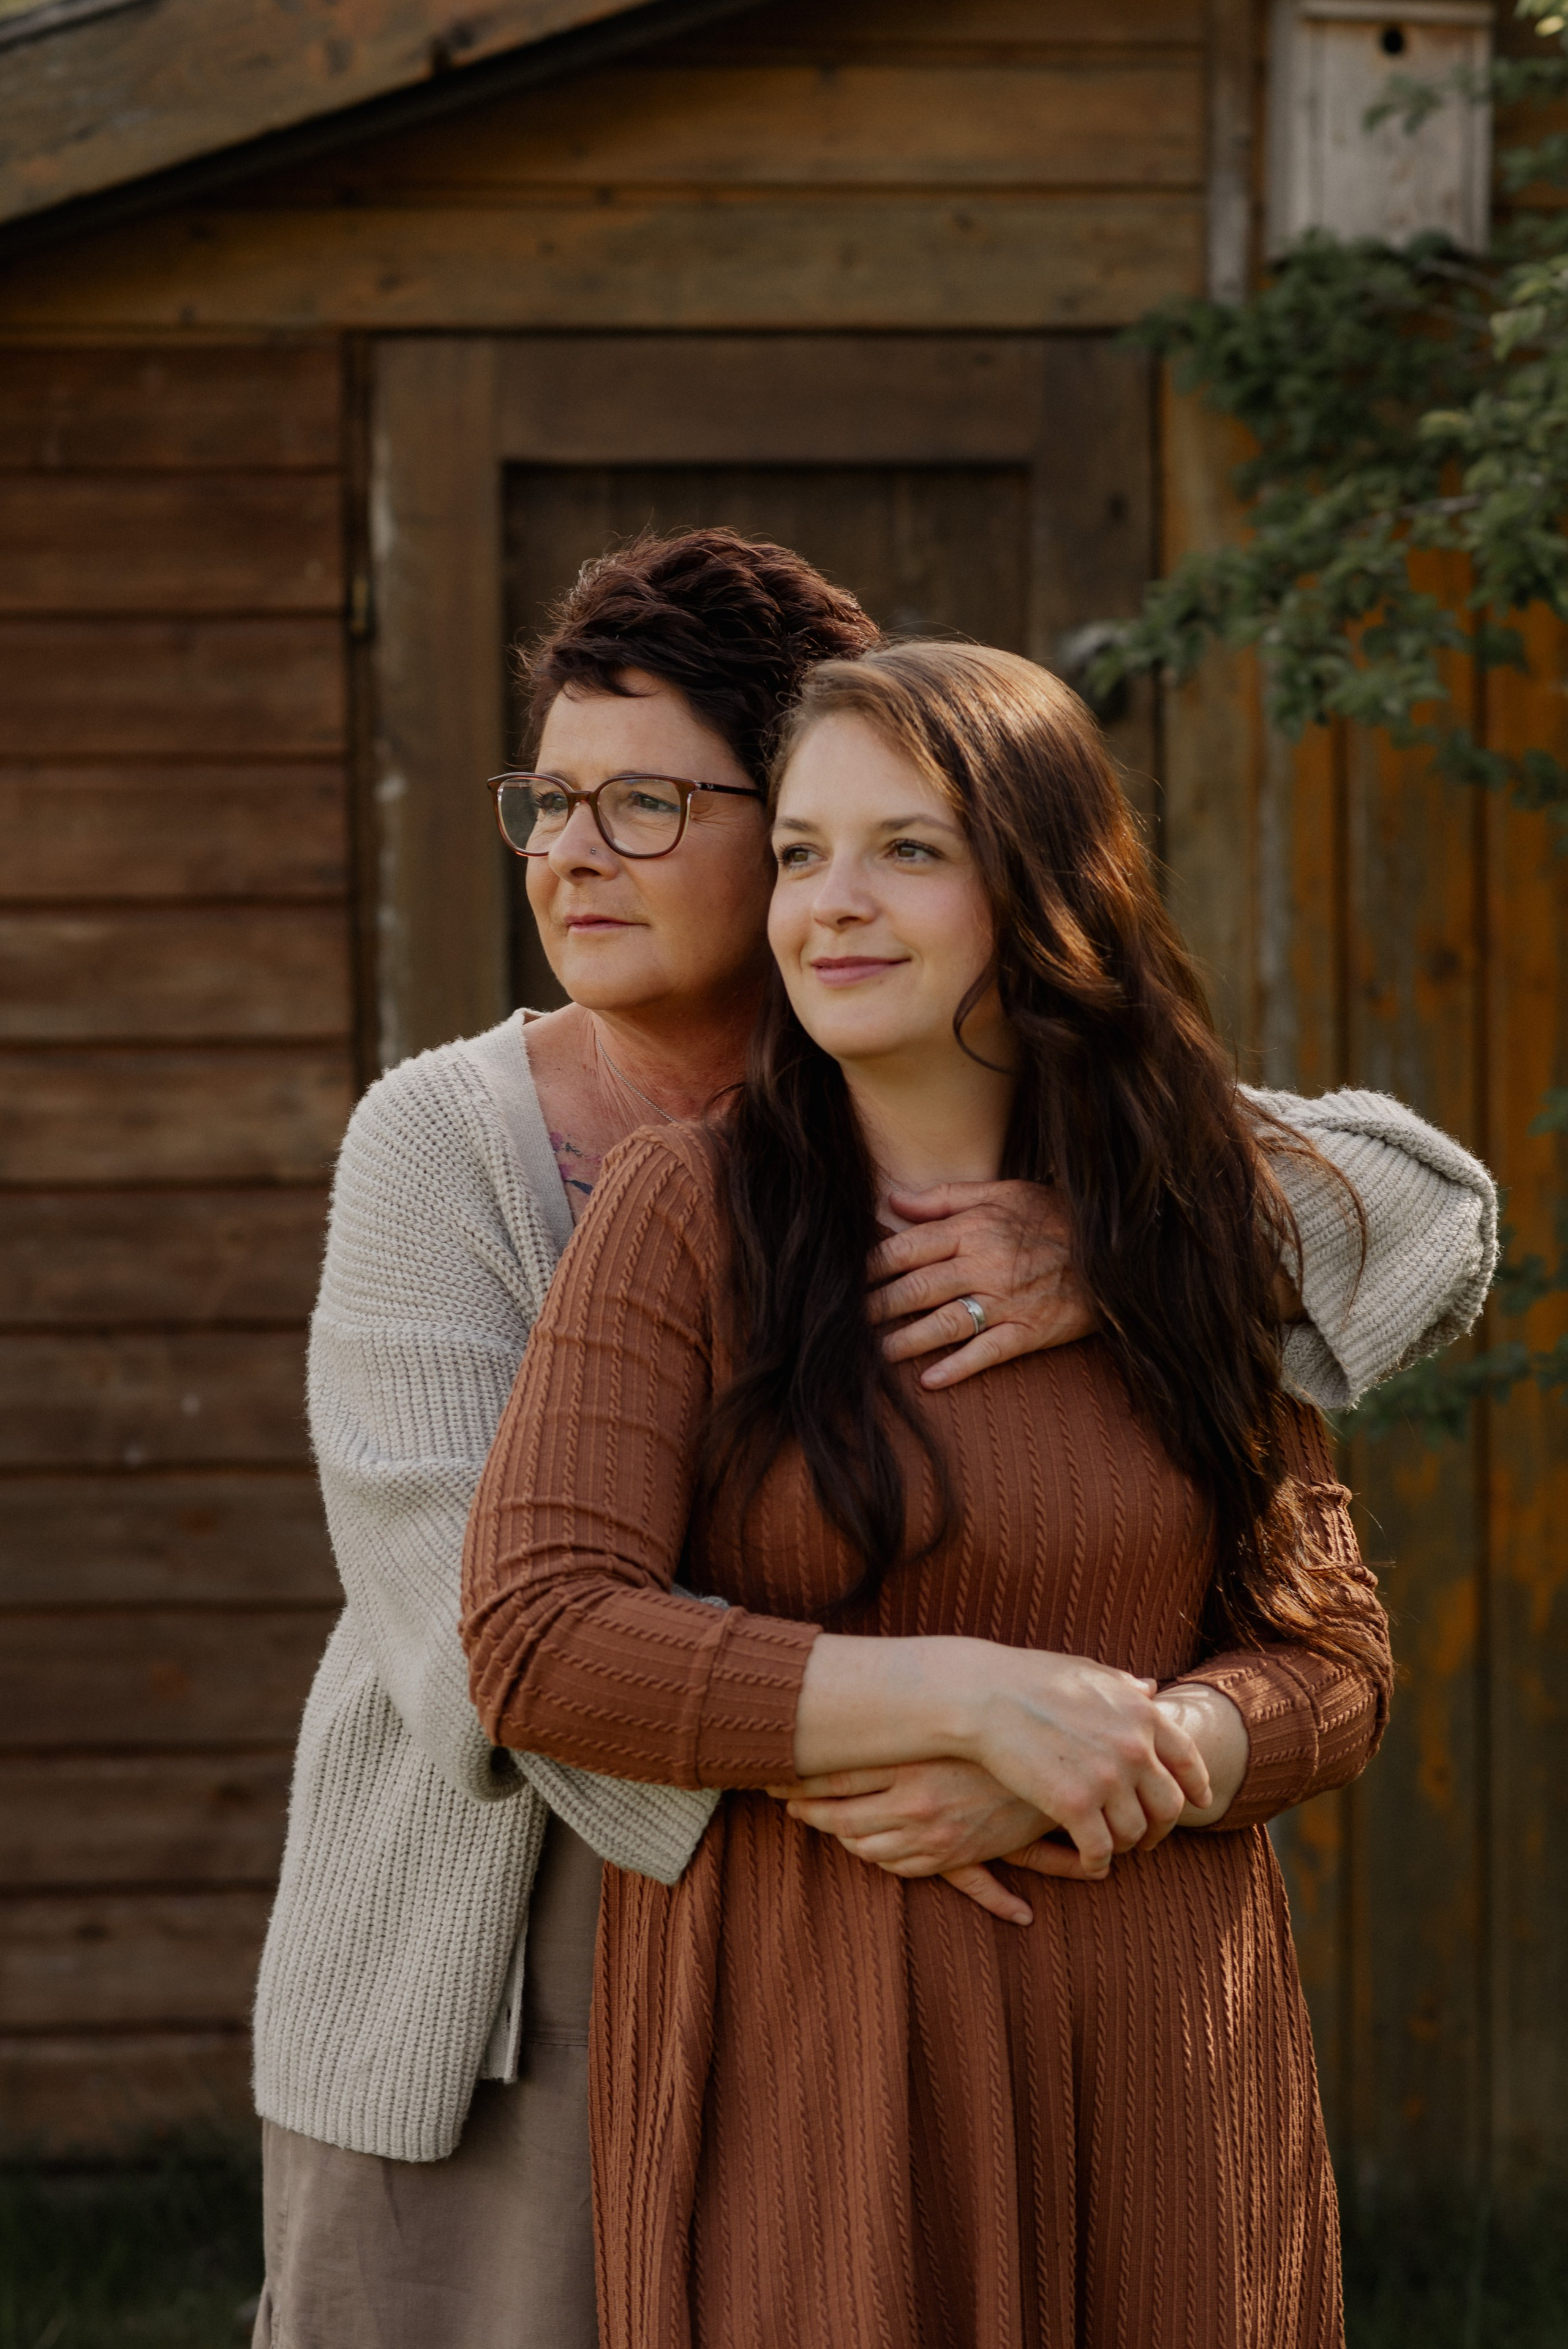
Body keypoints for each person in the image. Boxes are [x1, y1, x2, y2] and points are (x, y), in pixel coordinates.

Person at [252, 533, 1496, 2349]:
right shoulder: (450, 1150)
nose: (568, 850)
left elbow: (1435, 1214)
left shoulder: (969, 1099)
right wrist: (964, 1749)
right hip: (510, 1953)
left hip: (959, 1945)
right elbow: (483, 1647)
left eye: (646, 802)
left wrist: (1128, 1240)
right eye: (550, 799)